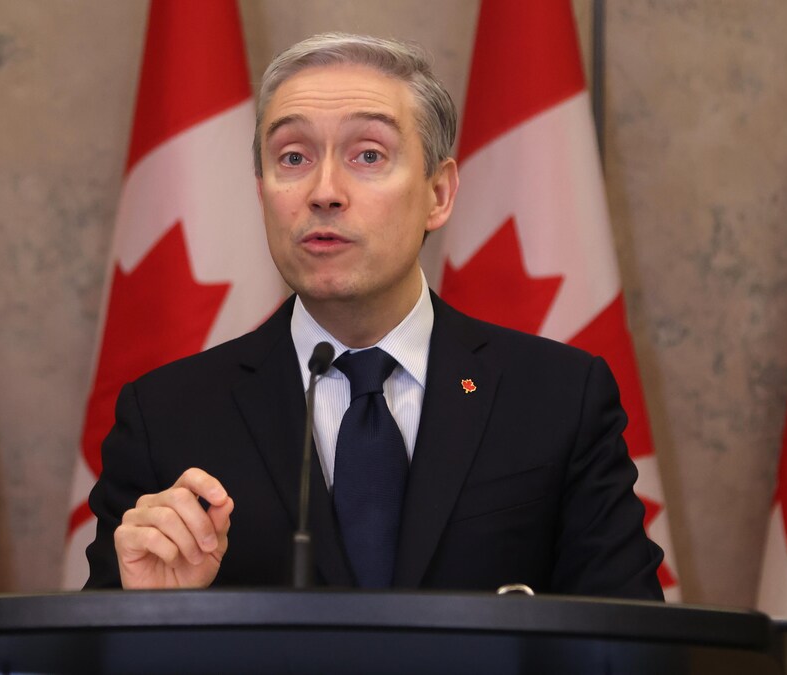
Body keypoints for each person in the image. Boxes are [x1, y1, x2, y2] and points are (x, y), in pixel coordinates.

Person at [84, 33, 664, 599]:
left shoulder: (559, 398)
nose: (325, 191)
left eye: (368, 154)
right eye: (293, 157)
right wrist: (153, 612)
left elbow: (633, 645)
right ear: (262, 193)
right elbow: (95, 654)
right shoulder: (166, 417)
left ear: (438, 193)